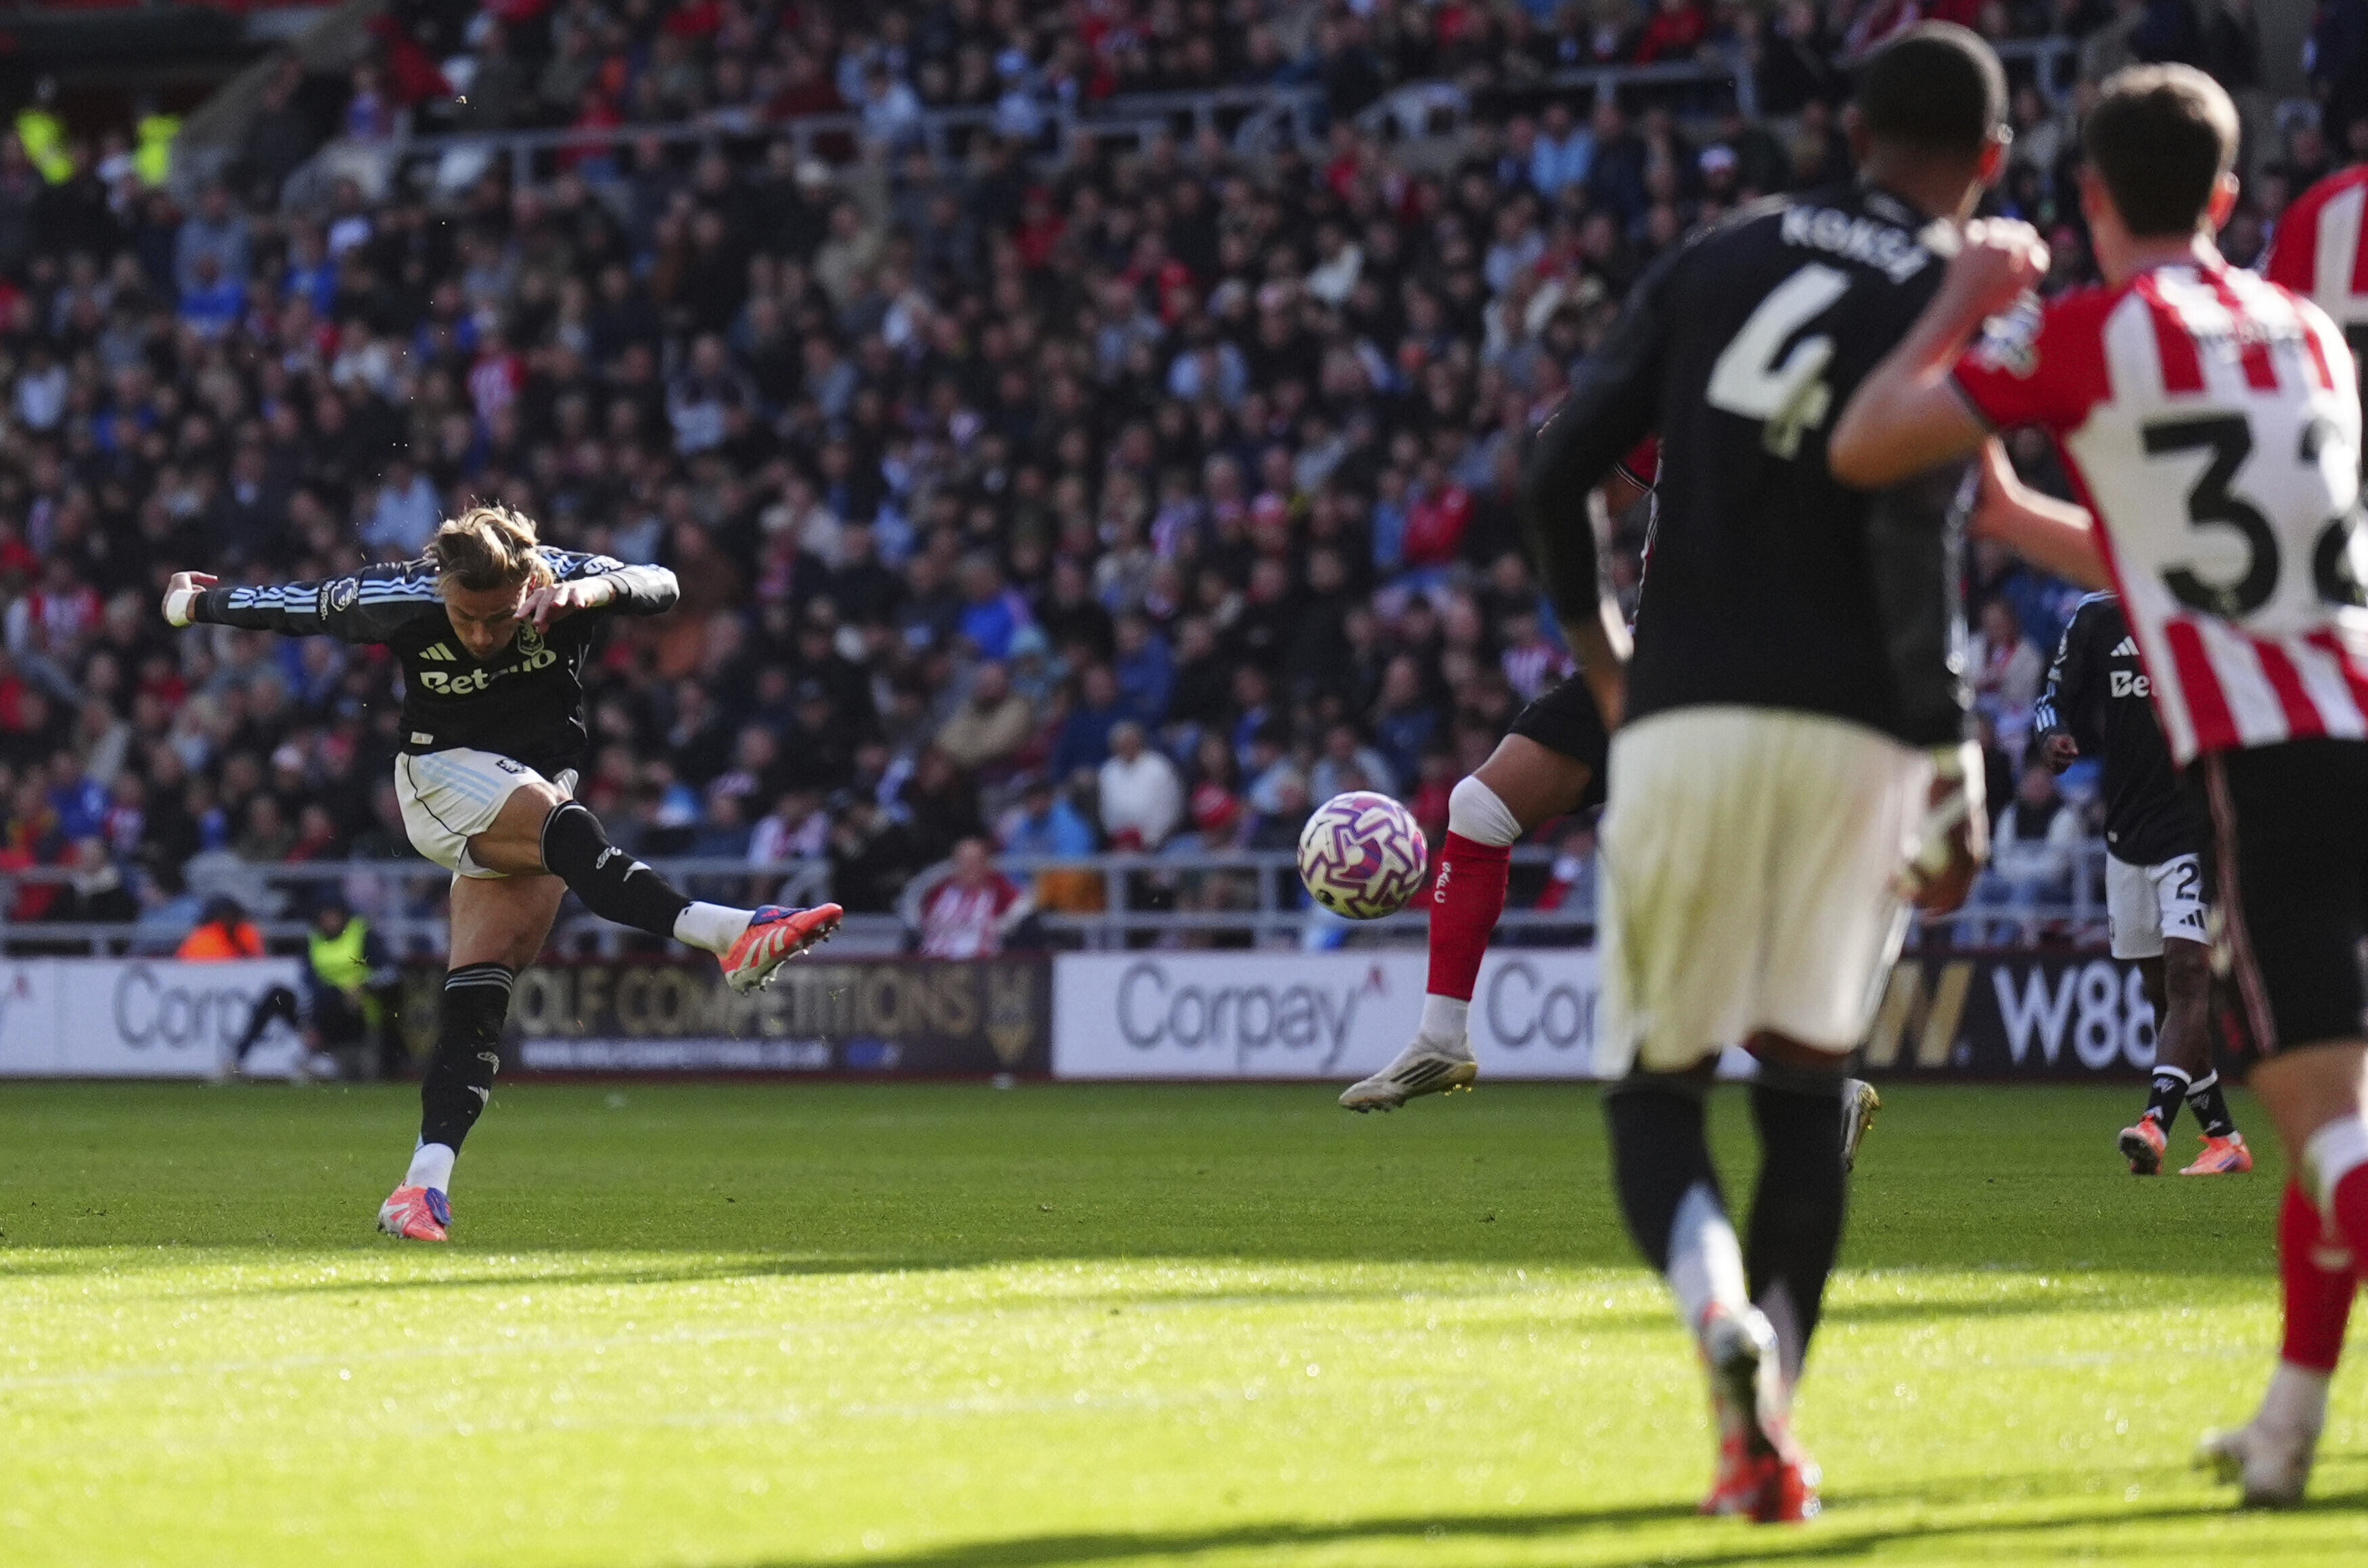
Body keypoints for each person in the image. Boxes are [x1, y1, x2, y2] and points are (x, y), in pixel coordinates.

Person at [1831, 64, 2368, 1508]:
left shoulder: (2085, 335)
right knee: (2340, 1117)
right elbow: (2145, 549)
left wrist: (1962, 302)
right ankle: (2291, 1427)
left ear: (2082, 198)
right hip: (2353, 704)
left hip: (2278, 769)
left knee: (2331, 1119)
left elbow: (1869, 437)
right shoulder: (2306, 330)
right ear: (2223, 198)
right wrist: (2009, 510)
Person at [1516, 25, 2009, 1521]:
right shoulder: (1959, 293)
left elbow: (1552, 467)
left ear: (1852, 130)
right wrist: (1948, 756)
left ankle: (1715, 1318)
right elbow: (1911, 535)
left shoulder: (1719, 254)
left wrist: (1606, 659)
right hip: (1859, 734)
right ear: (1987, 162)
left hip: (1683, 721)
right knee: (1806, 1092)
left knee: (1655, 1091)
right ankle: (1773, 1417)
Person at [160, 504, 842, 1243]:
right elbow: (300, 604)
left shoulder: (568, 580)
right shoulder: (406, 597)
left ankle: (420, 1185)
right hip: (439, 779)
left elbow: (663, 584)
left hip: (530, 792)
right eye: (467, 617)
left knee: (482, 986)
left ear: (528, 584)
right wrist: (193, 601)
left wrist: (596, 593)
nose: (482, 635)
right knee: (560, 820)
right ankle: (728, 933)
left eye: (500, 618)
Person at [2033, 591, 2249, 1176]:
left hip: (2195, 826)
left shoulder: (2204, 607)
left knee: (2186, 975)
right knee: (2164, 995)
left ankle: (2154, 1126)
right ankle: (2225, 1139)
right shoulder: (2098, 616)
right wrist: (2052, 738)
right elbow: (2052, 699)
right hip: (2127, 832)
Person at [227, 897, 404, 1082]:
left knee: (332, 995)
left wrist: (364, 986)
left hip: (356, 1009)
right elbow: (307, 982)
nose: (330, 920)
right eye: (325, 916)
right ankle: (237, 1061)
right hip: (321, 1008)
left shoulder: (361, 934)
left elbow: (390, 973)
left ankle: (320, 1059)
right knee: (277, 995)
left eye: (334, 915)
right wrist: (307, 1019)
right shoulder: (315, 939)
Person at [907, 837, 1033, 958]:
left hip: (980, 966)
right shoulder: (940, 891)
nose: (969, 868)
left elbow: (1022, 908)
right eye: (964, 862)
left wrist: (1003, 925)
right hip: (934, 964)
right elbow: (917, 920)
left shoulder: (998, 890)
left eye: (975, 862)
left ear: (985, 864)